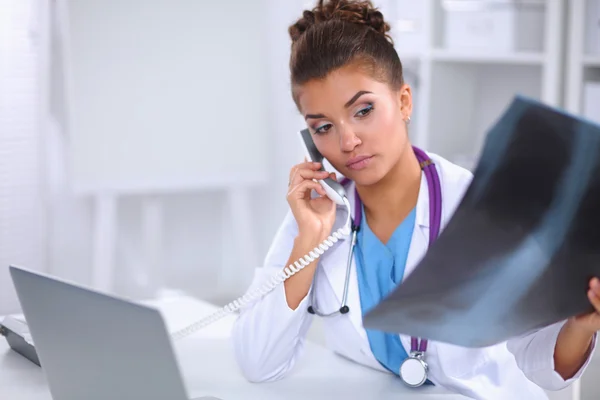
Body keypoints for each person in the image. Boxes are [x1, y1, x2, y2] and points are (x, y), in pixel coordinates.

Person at [231, 0, 600, 398]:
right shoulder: (319, 212)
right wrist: (308, 241)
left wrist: (581, 323)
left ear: (404, 102)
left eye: (364, 110)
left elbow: (540, 367)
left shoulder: (479, 206)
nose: (348, 142)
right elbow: (258, 362)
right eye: (322, 127)